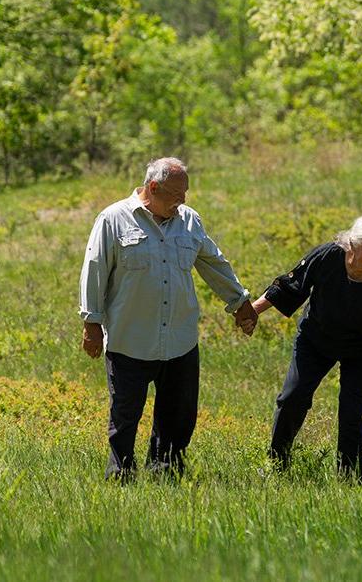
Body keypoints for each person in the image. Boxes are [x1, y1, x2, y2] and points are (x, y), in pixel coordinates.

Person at [79, 157, 257, 481]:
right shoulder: (114, 219)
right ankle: (121, 475)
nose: (183, 200)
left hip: (179, 339)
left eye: (186, 192)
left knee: (178, 415)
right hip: (129, 338)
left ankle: (166, 472)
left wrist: (240, 301)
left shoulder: (189, 220)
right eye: (176, 193)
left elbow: (213, 263)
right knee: (125, 415)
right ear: (153, 188)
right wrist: (91, 324)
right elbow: (94, 270)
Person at [250, 215, 362, 480]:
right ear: (351, 246)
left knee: (354, 413)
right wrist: (253, 310)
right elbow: (291, 285)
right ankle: (277, 465)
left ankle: (350, 478)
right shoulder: (327, 258)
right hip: (316, 339)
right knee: (293, 398)